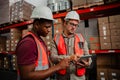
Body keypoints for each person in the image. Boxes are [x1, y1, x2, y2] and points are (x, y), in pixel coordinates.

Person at [16, 6, 73, 80]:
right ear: (36, 25)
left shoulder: (39, 40)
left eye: (50, 27)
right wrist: (58, 67)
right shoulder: (28, 43)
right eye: (47, 27)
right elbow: (27, 76)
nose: (49, 30)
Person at [50, 11, 92, 80]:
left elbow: (88, 56)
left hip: (79, 77)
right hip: (62, 77)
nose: (74, 27)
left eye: (76, 25)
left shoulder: (81, 38)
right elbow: (53, 57)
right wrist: (70, 58)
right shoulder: (56, 39)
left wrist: (88, 63)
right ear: (65, 23)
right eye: (72, 24)